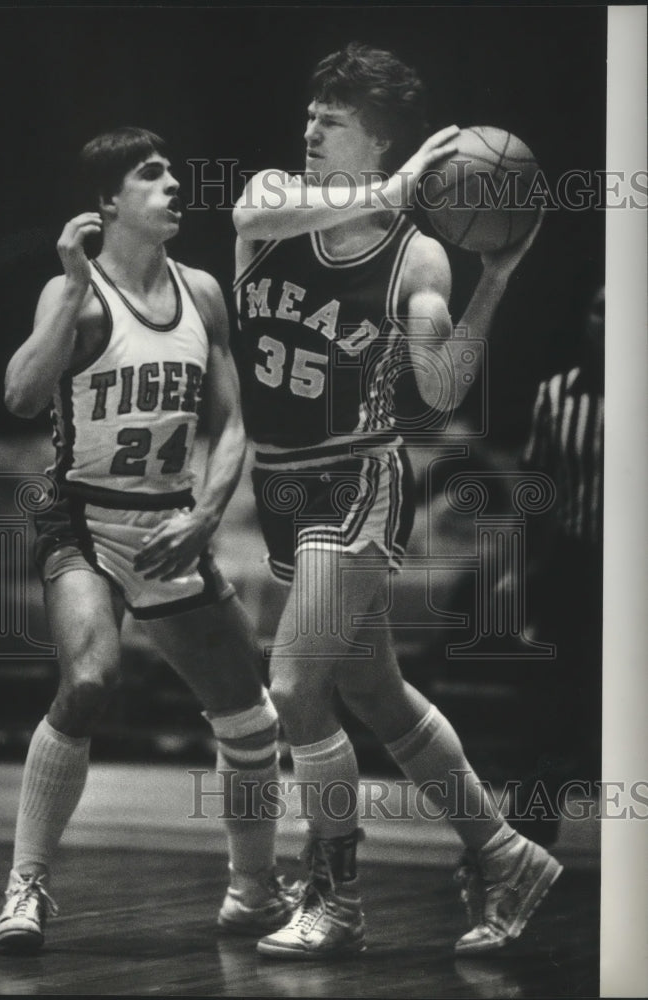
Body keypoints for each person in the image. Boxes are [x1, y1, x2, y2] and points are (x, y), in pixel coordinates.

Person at [232, 42, 561, 959]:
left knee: (295, 687)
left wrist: (492, 283)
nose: (307, 129)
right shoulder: (268, 202)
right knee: (372, 689)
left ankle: (336, 898)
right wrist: (399, 185)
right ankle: (503, 850)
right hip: (278, 486)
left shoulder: (417, 256)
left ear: (379, 142)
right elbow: (250, 204)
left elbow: (443, 388)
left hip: (356, 480)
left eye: (331, 121)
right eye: (309, 113)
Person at [0, 126, 294, 953]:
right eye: (149, 175)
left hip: (171, 521)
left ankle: (253, 892)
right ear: (105, 203)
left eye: (169, 171)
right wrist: (71, 281)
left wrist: (203, 515)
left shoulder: (202, 293)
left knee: (250, 713)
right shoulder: (75, 295)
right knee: (89, 680)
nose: (171, 184)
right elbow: (21, 395)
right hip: (83, 516)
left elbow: (234, 428)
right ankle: (26, 887)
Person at [506, 283, 604, 845]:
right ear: (585, 321)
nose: (610, 322)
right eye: (599, 309)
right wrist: (520, 573)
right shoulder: (557, 395)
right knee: (551, 704)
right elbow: (533, 492)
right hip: (573, 563)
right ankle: (530, 841)